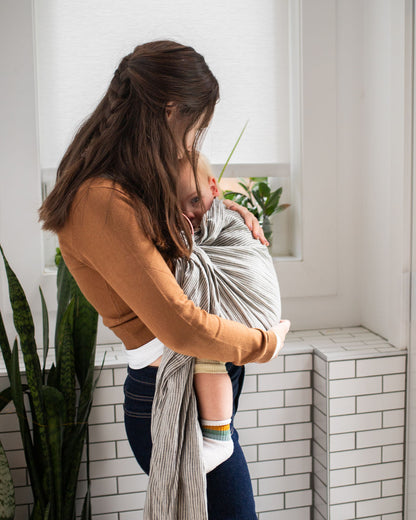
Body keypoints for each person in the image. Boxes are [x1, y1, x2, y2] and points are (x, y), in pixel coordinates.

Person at [38, 40, 291, 519]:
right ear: (171, 110)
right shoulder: (101, 198)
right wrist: (265, 345)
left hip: (196, 390)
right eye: (196, 126)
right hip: (171, 395)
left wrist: (226, 214)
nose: (193, 141)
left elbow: (175, 234)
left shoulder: (128, 183)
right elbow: (179, 323)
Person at [176, 154, 282, 474]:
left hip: (248, 309)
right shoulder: (208, 213)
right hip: (250, 322)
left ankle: (219, 439)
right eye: (177, 208)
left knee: (207, 349)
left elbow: (193, 261)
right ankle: (220, 436)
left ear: (213, 188)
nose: (191, 213)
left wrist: (183, 240)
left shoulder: (223, 217)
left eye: (196, 200)